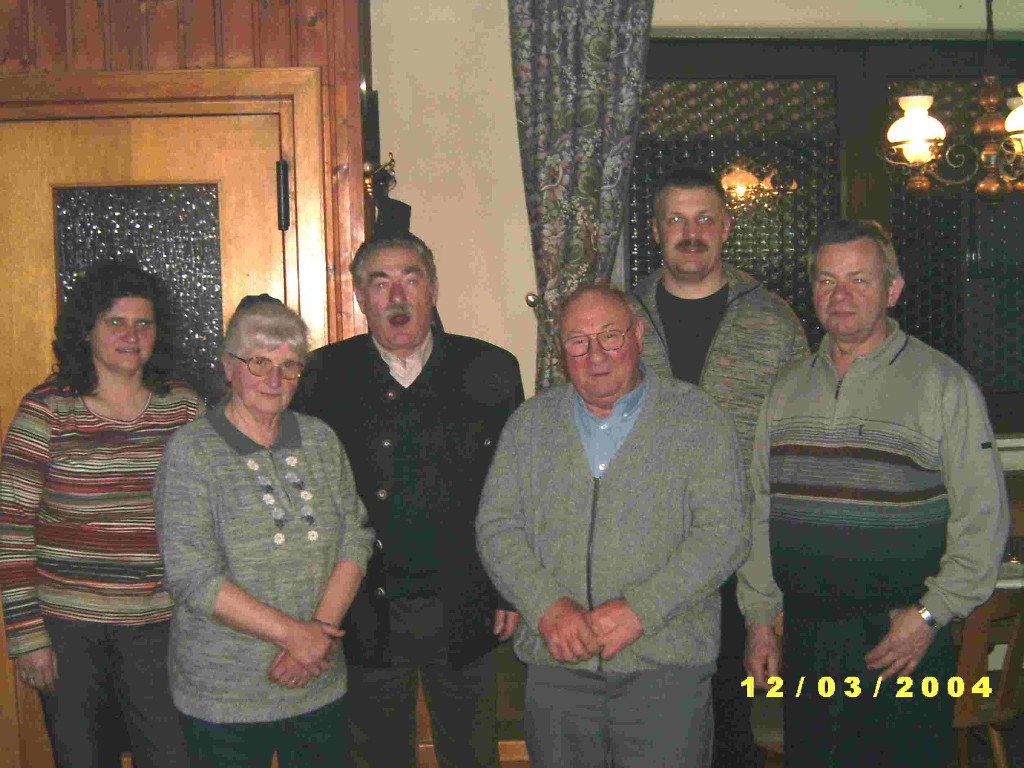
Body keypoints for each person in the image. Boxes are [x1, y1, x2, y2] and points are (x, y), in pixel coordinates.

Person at [738, 219, 1009, 767]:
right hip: (808, 640)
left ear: (892, 290)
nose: (840, 296)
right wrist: (760, 619)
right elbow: (758, 511)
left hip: (903, 642)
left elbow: (984, 520)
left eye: (859, 280)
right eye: (827, 280)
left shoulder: (944, 386)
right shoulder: (785, 390)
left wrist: (930, 615)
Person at [477, 284, 749, 768]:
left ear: (637, 335)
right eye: (578, 341)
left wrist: (642, 609)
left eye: (610, 336)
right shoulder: (530, 425)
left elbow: (724, 532)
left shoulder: (698, 419)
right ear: (562, 351)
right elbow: (497, 527)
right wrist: (547, 608)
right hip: (557, 666)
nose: (596, 355)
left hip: (665, 667)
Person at [290, 234, 525, 768]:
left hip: (466, 603)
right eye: (381, 283)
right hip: (366, 607)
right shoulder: (322, 376)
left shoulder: (491, 370)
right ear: (359, 297)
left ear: (433, 289)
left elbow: (512, 492)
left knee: (473, 755)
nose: (397, 297)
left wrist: (508, 590)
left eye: (411, 279)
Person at [631, 166, 808, 768]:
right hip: (644, 558)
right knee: (652, 724)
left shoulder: (774, 322)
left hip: (739, 556)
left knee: (731, 724)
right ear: (656, 230)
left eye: (705, 218)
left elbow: (796, 451)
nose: (691, 233)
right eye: (676, 220)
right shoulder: (619, 321)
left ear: (727, 227)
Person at [154, 296, 374, 767]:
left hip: (317, 680)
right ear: (228, 368)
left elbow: (355, 537)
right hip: (224, 695)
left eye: (289, 366)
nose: (275, 380)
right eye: (259, 363)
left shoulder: (320, 439)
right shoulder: (192, 452)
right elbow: (192, 576)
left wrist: (317, 635)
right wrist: (295, 636)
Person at [0, 262, 202, 768]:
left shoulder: (184, 409)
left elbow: (209, 515)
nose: (131, 336)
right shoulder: (47, 410)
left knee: (172, 756)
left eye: (143, 323)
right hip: (68, 630)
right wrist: (26, 635)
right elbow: (11, 527)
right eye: (115, 322)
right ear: (86, 330)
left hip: (160, 625)